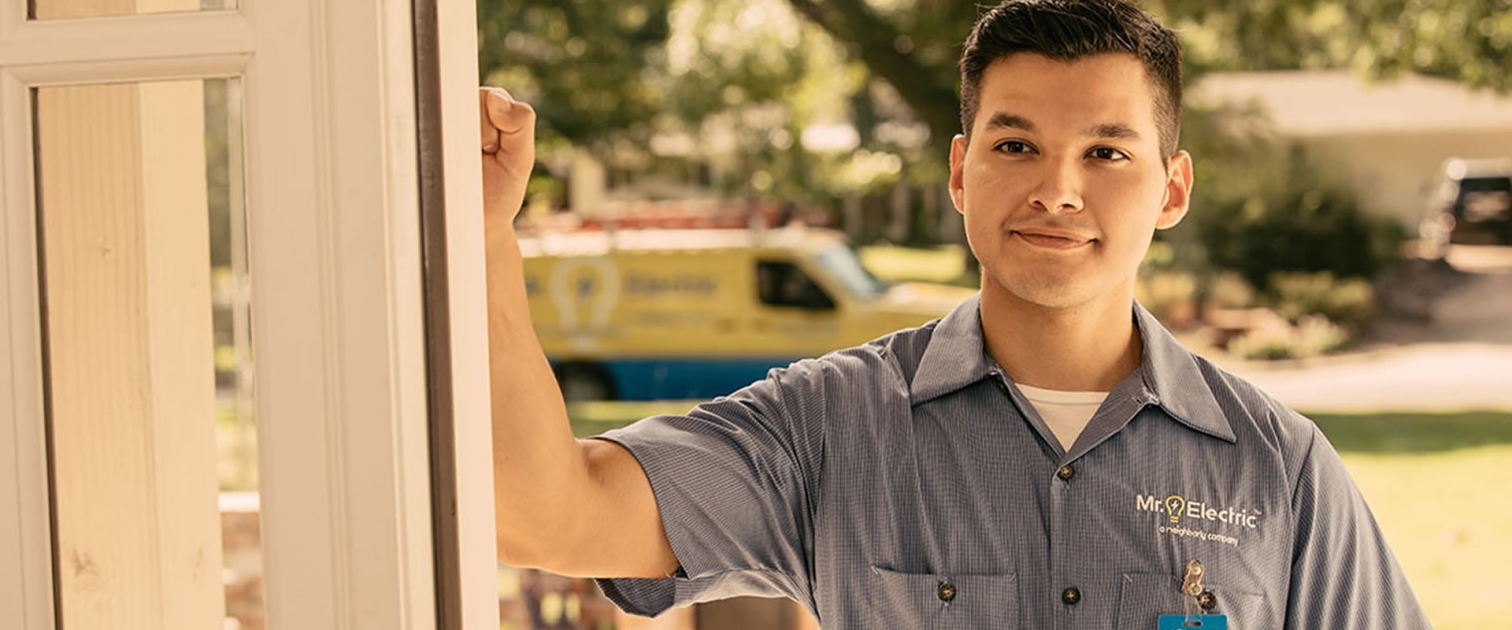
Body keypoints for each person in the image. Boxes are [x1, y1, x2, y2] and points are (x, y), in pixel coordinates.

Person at [478, 0, 1431, 627]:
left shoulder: (1281, 468)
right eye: (1016, 144)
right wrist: (486, 236)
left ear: (1172, 189)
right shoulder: (829, 428)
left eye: (1106, 153)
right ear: (958, 170)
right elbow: (545, 516)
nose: (1057, 190)